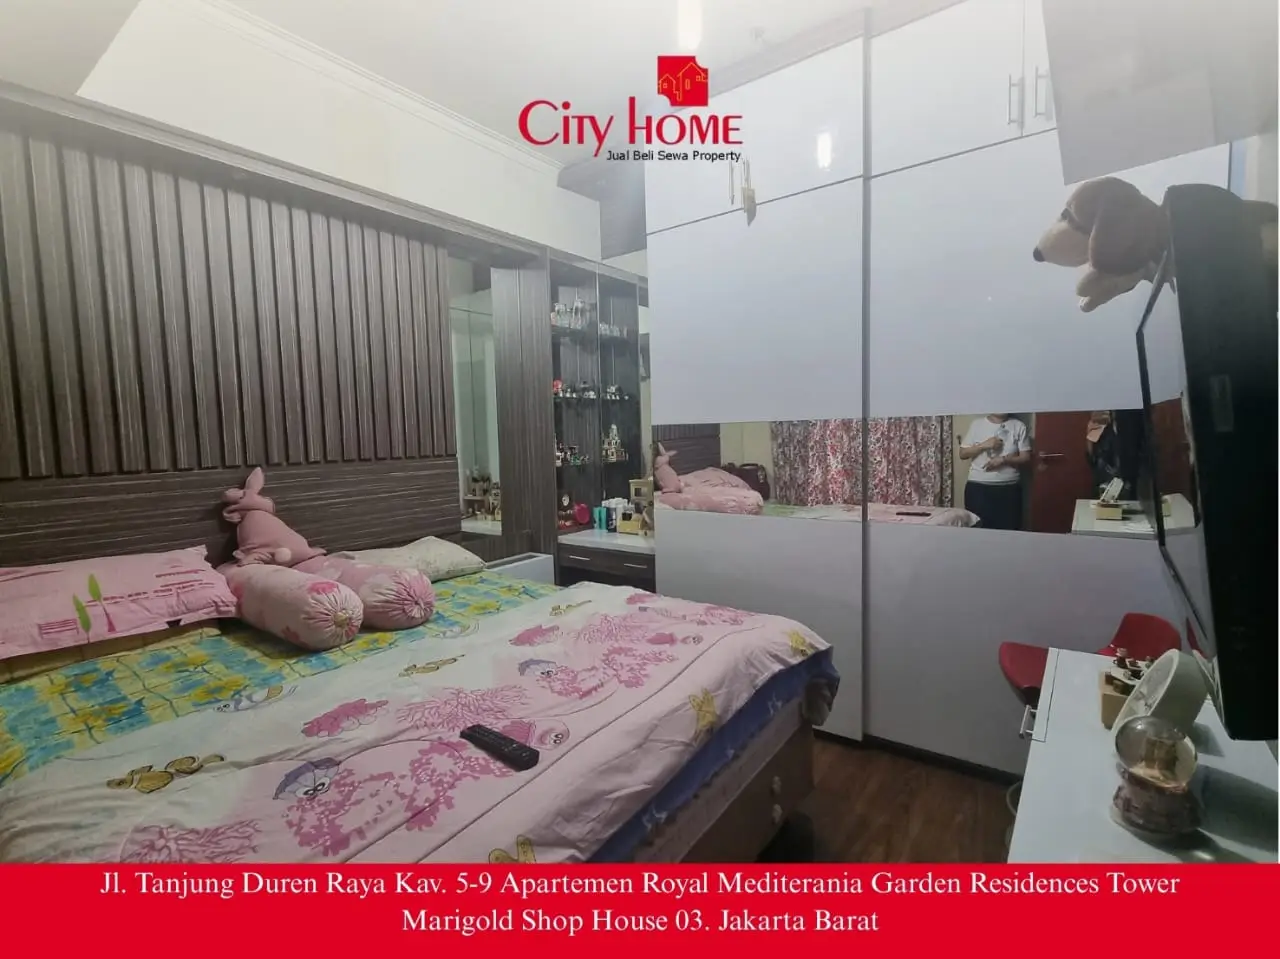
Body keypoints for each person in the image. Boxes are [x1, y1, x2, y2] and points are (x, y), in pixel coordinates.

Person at [958, 414, 1032, 530]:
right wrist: (984, 445)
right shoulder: (977, 424)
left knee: (1009, 531)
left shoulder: (1018, 426)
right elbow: (962, 454)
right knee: (979, 531)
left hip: (1009, 489)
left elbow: (1026, 457)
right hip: (979, 489)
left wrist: (1004, 460)